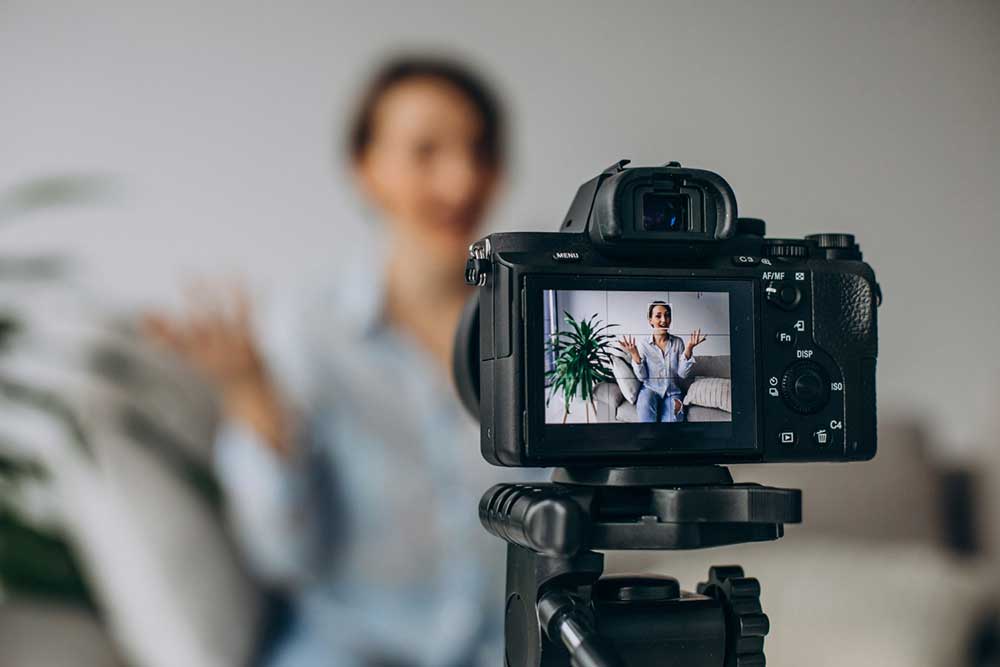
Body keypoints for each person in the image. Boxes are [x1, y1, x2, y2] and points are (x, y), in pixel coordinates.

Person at [144, 56, 512, 667]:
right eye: (426, 151)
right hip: (351, 651)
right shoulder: (305, 330)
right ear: (366, 169)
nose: (460, 181)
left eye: (480, 150)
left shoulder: (543, 331)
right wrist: (254, 403)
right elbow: (282, 557)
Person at [617, 301, 707, 423]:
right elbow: (642, 377)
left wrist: (689, 348)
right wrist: (634, 354)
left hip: (673, 392)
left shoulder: (678, 342)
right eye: (658, 316)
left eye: (667, 315)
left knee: (674, 421)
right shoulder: (643, 344)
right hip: (649, 390)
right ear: (650, 320)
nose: (664, 320)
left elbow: (682, 374)